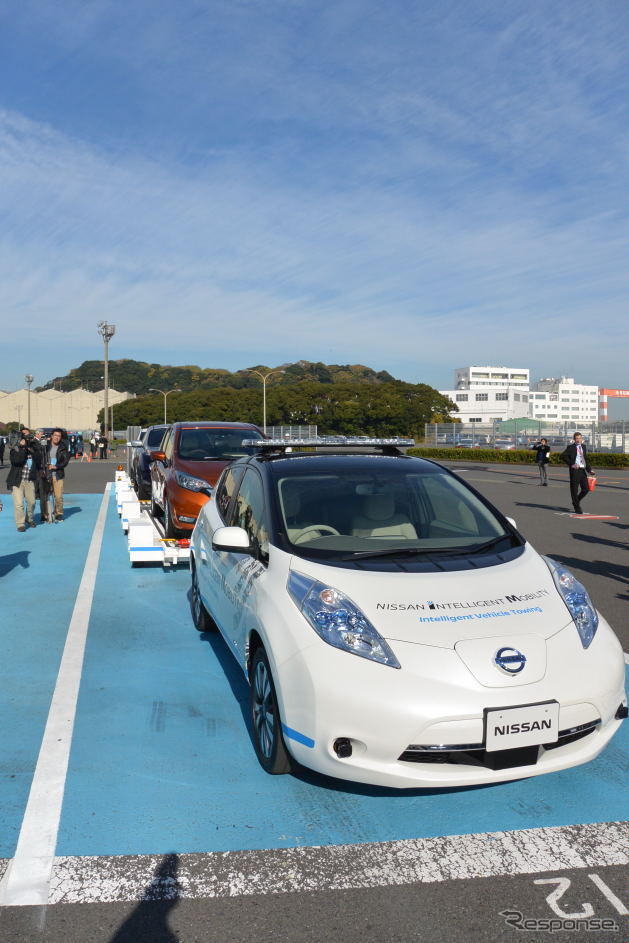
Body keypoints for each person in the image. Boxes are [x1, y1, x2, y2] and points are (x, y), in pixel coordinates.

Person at [6, 426, 42, 531]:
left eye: (27, 434)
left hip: (30, 480)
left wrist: (31, 447)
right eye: (24, 435)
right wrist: (22, 448)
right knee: (19, 504)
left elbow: (39, 458)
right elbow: (17, 461)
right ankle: (20, 524)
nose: (26, 437)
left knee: (32, 502)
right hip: (17, 480)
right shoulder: (15, 448)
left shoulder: (33, 446)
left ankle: (29, 518)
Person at [560, 432, 593, 514]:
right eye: (577, 438)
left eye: (580, 438)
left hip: (582, 470)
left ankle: (575, 501)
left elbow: (584, 459)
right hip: (575, 471)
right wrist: (572, 464)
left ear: (582, 439)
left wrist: (589, 470)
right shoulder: (571, 447)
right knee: (574, 489)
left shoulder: (584, 447)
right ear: (574, 439)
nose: (578, 440)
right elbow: (562, 456)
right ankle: (577, 507)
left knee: (586, 489)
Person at [47, 427, 69, 521]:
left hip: (58, 474)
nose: (57, 437)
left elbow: (65, 461)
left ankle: (58, 513)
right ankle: (45, 514)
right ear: (51, 436)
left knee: (58, 496)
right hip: (46, 474)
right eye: (55, 435)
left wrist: (56, 466)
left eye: (59, 436)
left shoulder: (63, 447)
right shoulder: (45, 446)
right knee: (45, 496)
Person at [33, 429, 53, 522]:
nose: (43, 435)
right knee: (31, 496)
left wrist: (46, 443)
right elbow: (36, 455)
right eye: (42, 434)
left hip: (42, 472)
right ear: (37, 434)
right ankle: (29, 515)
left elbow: (47, 454)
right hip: (34, 472)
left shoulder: (44, 444)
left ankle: (43, 514)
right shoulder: (32, 443)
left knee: (43, 494)